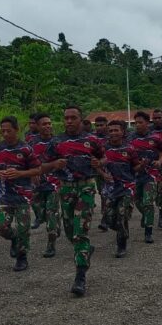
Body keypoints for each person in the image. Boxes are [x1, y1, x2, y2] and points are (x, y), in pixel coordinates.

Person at [41, 105, 105, 297]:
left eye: (73, 118)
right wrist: (54, 164)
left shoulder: (92, 140)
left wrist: (99, 163)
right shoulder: (56, 142)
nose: (69, 121)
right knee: (70, 230)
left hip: (85, 187)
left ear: (80, 119)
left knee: (80, 231)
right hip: (65, 188)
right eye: (66, 118)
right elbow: (42, 165)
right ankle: (85, 250)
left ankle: (80, 276)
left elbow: (104, 158)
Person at [0, 116, 42, 272]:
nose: (5, 134)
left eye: (9, 131)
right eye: (3, 131)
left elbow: (37, 169)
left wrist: (19, 173)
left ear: (17, 130)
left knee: (23, 229)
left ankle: (22, 257)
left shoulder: (26, 149)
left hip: (22, 196)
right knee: (0, 226)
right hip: (3, 195)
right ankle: (13, 239)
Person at [100, 120, 142, 257]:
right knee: (109, 218)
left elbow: (135, 167)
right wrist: (103, 174)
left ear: (123, 132)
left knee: (122, 215)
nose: (113, 133)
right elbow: (95, 165)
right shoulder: (103, 149)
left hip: (127, 188)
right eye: (110, 130)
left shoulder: (130, 149)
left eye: (116, 130)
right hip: (110, 189)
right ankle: (122, 231)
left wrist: (142, 165)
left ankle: (121, 245)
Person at [128, 111, 162, 244]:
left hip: (151, 174)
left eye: (140, 122)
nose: (137, 125)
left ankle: (148, 232)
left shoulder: (155, 137)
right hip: (135, 175)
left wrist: (160, 161)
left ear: (147, 123)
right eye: (135, 123)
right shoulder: (130, 138)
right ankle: (145, 215)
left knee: (148, 202)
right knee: (137, 200)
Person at [29, 113, 61, 258]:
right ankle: (54, 224)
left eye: (49, 123)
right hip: (37, 184)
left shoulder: (58, 141)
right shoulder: (31, 143)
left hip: (54, 183)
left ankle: (51, 245)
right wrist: (32, 173)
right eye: (44, 124)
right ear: (37, 126)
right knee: (39, 210)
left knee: (51, 212)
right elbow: (27, 161)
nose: (48, 126)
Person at [93, 116, 110, 231]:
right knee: (102, 193)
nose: (99, 128)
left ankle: (105, 219)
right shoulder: (92, 139)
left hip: (112, 171)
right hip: (98, 172)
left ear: (106, 125)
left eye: (101, 125)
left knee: (106, 195)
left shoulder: (112, 137)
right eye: (97, 125)